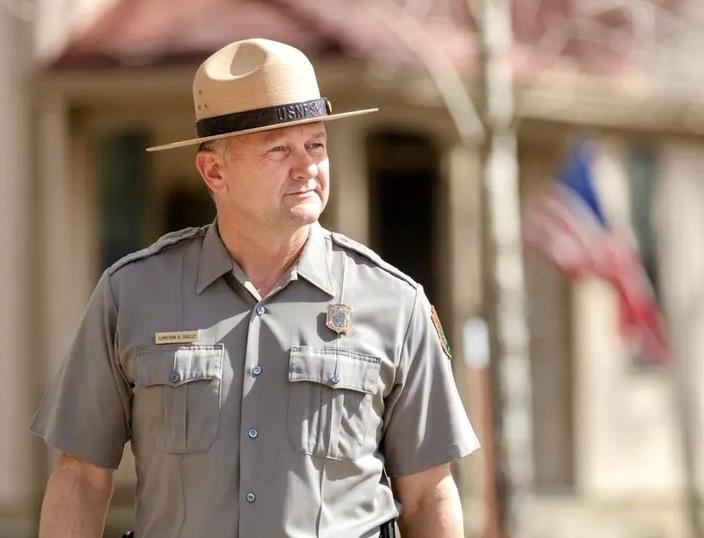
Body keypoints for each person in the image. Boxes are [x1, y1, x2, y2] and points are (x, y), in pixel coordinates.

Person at [31, 38, 480, 538]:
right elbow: (81, 477)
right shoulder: (132, 294)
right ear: (214, 171)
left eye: (315, 145)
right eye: (279, 150)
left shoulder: (394, 303)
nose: (307, 166)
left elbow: (428, 493)